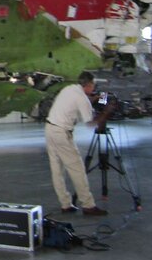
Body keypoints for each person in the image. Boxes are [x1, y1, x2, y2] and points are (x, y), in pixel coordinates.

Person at [45, 71, 114, 216]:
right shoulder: (82, 99)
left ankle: (65, 204)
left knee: (57, 170)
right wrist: (106, 112)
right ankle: (88, 205)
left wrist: (94, 99)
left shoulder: (69, 88)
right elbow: (91, 123)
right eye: (93, 85)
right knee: (77, 169)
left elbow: (76, 102)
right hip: (62, 133)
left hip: (50, 128)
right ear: (89, 85)